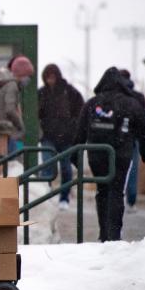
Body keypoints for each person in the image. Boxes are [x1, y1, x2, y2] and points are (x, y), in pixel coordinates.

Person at [73, 67, 145, 242]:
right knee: (116, 192)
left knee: (102, 191)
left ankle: (104, 233)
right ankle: (114, 235)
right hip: (121, 154)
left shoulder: (92, 103)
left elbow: (79, 133)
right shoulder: (131, 103)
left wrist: (75, 159)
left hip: (97, 155)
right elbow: (143, 129)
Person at [38, 63, 85, 210]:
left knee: (66, 168)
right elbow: (36, 114)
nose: (50, 80)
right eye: (47, 77)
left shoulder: (70, 92)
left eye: (52, 77)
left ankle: (64, 198)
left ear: (57, 77)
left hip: (66, 138)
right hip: (47, 137)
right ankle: (46, 194)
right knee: (47, 166)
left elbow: (81, 111)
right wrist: (40, 131)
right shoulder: (41, 93)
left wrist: (73, 129)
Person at [118, 69, 145, 213]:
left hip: (115, 140)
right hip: (133, 139)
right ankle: (131, 202)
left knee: (115, 170)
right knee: (131, 171)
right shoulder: (138, 97)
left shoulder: (114, 97)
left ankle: (116, 199)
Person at [0, 55, 34, 153]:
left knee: (8, 163)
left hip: (4, 130)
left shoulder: (3, 83)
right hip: (11, 131)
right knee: (14, 163)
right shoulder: (12, 85)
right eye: (28, 76)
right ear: (21, 74)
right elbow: (10, 109)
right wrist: (20, 125)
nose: (28, 80)